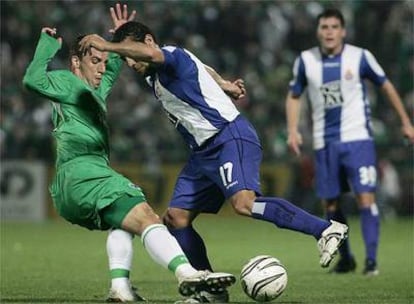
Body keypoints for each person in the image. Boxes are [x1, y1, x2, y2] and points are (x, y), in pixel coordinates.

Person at [79, 20, 349, 303]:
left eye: (131, 56)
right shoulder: (156, 72)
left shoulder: (169, 55)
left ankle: (326, 229)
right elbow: (201, 66)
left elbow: (158, 55)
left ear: (148, 43)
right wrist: (222, 83)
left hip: (228, 136)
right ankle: (210, 289)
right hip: (202, 153)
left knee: (244, 204)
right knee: (176, 218)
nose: (130, 64)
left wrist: (108, 45)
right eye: (125, 59)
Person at [22, 6, 235, 304]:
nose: (100, 68)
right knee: (146, 214)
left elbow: (112, 70)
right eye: (93, 61)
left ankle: (120, 289)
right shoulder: (67, 81)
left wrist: (123, 38)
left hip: (74, 184)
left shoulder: (95, 89)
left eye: (102, 61)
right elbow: (32, 80)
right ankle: (188, 273)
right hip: (83, 173)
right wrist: (47, 46)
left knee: (123, 222)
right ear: (75, 62)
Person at [284, 8, 414, 276]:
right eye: (324, 27)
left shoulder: (360, 57)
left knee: (365, 198)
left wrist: (405, 122)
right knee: (330, 205)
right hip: (324, 142)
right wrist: (293, 129)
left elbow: (386, 86)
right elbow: (294, 95)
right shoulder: (306, 61)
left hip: (358, 140)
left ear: (343, 31)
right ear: (318, 31)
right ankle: (347, 259)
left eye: (334, 27)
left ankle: (372, 261)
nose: (329, 31)